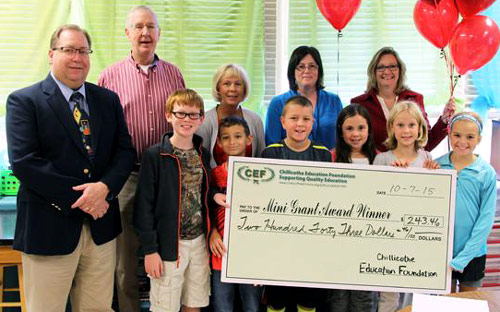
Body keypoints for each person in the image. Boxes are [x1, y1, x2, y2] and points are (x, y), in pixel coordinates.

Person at [5, 24, 135, 311]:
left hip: (101, 229)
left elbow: (125, 152)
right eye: (69, 50)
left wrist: (104, 188)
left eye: (83, 51)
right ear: (52, 54)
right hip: (48, 229)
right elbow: (26, 163)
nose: (77, 57)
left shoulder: (107, 100)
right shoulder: (24, 101)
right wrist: (86, 200)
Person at [97, 5, 185, 311]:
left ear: (159, 33)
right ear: (127, 33)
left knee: (165, 251)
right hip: (126, 176)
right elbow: (99, 130)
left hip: (165, 173)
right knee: (125, 258)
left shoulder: (174, 73)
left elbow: (183, 121)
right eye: (138, 27)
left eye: (151, 27)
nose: (145, 33)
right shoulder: (109, 76)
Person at [134, 89, 212, 312]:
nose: (186, 120)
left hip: (198, 243)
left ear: (201, 119)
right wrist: (150, 250)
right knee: (165, 306)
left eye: (193, 115)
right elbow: (143, 207)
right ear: (168, 115)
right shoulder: (155, 156)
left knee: (194, 303)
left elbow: (205, 192)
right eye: (180, 114)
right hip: (168, 245)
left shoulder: (202, 154)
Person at [262, 95, 331, 312]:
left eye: (306, 119)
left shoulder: (324, 155)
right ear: (282, 121)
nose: (300, 124)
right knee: (277, 298)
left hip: (312, 242)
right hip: (278, 240)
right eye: (293, 118)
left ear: (313, 123)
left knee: (309, 298)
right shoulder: (270, 153)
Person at [373, 101, 438, 312]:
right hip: (388, 241)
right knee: (388, 296)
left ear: (420, 128)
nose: (406, 130)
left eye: (411, 125)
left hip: (418, 240)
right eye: (400, 125)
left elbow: (435, 200)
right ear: (391, 127)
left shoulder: (427, 159)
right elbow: (373, 198)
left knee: (416, 295)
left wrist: (434, 176)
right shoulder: (382, 159)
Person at [351, 46, 456, 152]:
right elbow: (355, 143)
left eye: (392, 66)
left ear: (400, 70)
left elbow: (426, 143)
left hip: (409, 166)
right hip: (374, 166)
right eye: (381, 67)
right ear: (373, 72)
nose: (387, 71)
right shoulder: (359, 104)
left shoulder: (415, 99)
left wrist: (444, 119)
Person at [436, 112, 497, 293]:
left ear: (479, 139)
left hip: (474, 253)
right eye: (457, 135)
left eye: (470, 137)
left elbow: (485, 220)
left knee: (469, 304)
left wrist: (464, 257)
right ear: (449, 133)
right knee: (443, 304)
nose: (462, 141)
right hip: (442, 251)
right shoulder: (437, 166)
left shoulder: (486, 173)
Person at [326, 104, 377, 312]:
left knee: (364, 300)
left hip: (369, 244)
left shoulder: (380, 159)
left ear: (369, 130)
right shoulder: (330, 158)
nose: (355, 134)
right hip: (337, 243)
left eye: (361, 128)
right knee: (337, 299)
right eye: (349, 128)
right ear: (340, 130)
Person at [209, 116, 263, 312]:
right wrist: (212, 232)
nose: (232, 142)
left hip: (251, 254)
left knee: (252, 306)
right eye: (226, 137)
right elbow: (206, 208)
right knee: (222, 306)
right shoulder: (214, 175)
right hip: (220, 252)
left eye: (238, 136)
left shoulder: (262, 173)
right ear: (219, 142)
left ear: (249, 139)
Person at [265, 46, 343, 150]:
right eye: (301, 66)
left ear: (319, 71)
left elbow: (342, 139)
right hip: (289, 163)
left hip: (328, 163)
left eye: (312, 66)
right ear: (293, 71)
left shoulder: (334, 101)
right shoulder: (278, 103)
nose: (307, 70)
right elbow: (272, 146)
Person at [197, 64, 265, 168]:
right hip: (215, 182)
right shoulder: (205, 121)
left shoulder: (255, 120)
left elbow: (262, 159)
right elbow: (201, 161)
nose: (232, 89)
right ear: (218, 88)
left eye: (238, 84)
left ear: (244, 89)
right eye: (227, 84)